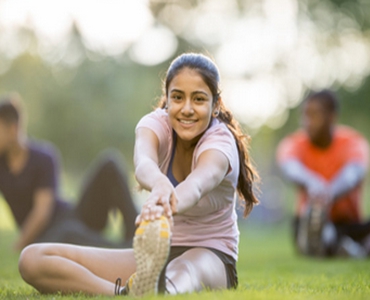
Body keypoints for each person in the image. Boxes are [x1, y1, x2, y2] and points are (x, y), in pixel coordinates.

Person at [18, 53, 259, 296]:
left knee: (185, 270)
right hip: (154, 256)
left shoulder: (220, 143)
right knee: (32, 258)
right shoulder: (154, 125)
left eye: (198, 99)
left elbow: (197, 185)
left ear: (215, 105)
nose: (186, 109)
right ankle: (125, 293)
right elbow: (144, 163)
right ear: (167, 99)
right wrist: (160, 185)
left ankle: (164, 290)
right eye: (177, 97)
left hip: (210, 254)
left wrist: (166, 203)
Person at [0, 94, 139, 251]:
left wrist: (17, 246)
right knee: (68, 234)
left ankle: (137, 235)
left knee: (109, 164)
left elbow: (42, 213)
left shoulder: (44, 157)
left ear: (12, 129)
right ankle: (125, 251)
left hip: (71, 217)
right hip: (47, 237)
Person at [276, 89, 370, 257]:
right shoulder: (294, 142)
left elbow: (353, 174)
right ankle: (326, 240)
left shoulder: (352, 141)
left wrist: (328, 193)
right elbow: (290, 168)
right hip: (308, 224)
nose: (307, 122)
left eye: (314, 115)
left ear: (331, 117)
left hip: (349, 225)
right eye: (305, 115)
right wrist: (313, 182)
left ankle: (361, 253)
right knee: (315, 220)